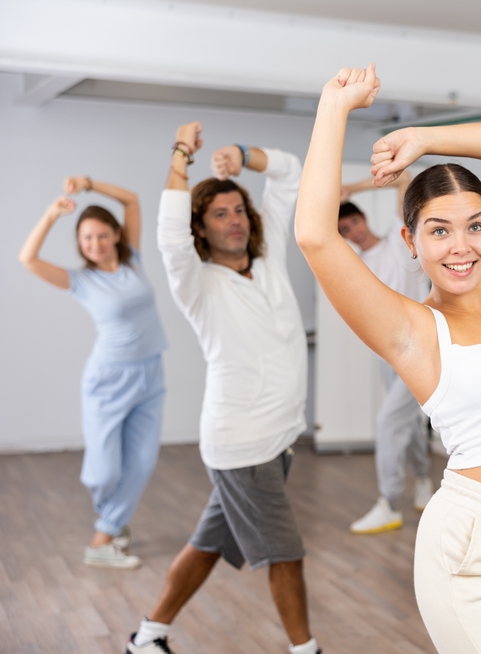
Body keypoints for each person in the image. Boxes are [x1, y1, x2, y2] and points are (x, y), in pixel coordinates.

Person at [296, 64, 481, 654]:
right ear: (410, 241)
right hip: (477, 548)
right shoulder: (413, 331)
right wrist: (334, 107)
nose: (462, 247)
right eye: (438, 231)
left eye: (474, 226)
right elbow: (315, 236)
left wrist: (427, 138)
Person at [126, 125, 320, 654]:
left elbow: (289, 173)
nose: (233, 221)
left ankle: (149, 636)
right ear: (201, 227)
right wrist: (182, 155)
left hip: (276, 441)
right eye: (219, 214)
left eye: (239, 210)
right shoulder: (198, 283)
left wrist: (242, 155)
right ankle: (306, 649)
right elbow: (168, 237)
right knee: (286, 552)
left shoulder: (269, 261)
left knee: (208, 544)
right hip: (243, 444)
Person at [19, 177, 167, 570]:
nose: (95, 244)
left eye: (102, 235)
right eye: (87, 238)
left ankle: (103, 537)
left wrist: (89, 184)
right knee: (103, 471)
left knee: (142, 463)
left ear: (116, 235)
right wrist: (52, 214)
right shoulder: (80, 280)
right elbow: (28, 259)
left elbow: (132, 198)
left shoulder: (133, 258)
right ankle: (113, 520)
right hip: (107, 380)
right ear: (79, 243)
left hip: (151, 373)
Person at [338, 172, 434, 534]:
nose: (354, 230)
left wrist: (352, 187)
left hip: (418, 348)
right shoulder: (356, 266)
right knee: (406, 424)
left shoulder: (400, 238)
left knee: (389, 422)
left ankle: (388, 502)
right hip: (387, 353)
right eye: (345, 229)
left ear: (363, 217)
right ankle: (424, 480)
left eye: (355, 221)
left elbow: (405, 178)